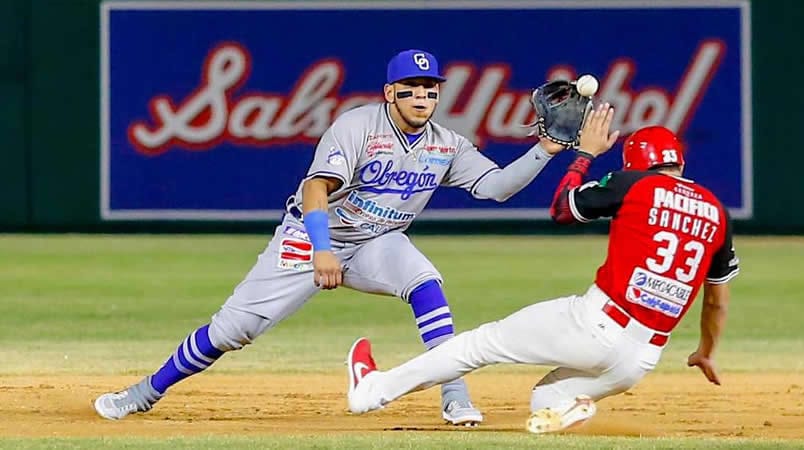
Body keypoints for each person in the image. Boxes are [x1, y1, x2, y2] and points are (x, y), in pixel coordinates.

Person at [93, 49, 575, 426]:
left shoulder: (446, 144)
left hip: (377, 240)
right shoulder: (358, 126)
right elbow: (315, 188)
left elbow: (495, 188)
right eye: (411, 89)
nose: (422, 97)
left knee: (426, 283)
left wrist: (546, 149)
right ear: (391, 93)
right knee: (231, 332)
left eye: (430, 89)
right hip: (310, 235)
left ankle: (455, 397)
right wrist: (322, 251)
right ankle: (142, 393)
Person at [344, 106, 740, 434]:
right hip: (640, 358)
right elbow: (717, 302)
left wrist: (584, 155)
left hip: (596, 324)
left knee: (478, 344)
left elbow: (562, 209)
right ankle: (574, 406)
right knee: (546, 402)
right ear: (680, 162)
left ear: (635, 164)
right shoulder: (718, 213)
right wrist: (706, 352)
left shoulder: (633, 184)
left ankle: (372, 391)